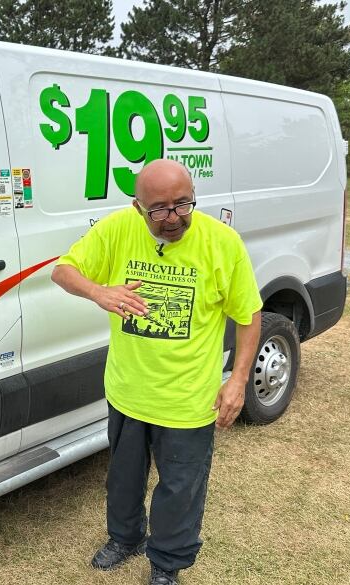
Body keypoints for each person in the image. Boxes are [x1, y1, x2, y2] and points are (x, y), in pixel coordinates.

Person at [51, 159, 262, 585]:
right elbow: (62, 270)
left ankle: (167, 563)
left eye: (183, 204)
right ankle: (125, 538)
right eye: (159, 209)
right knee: (123, 480)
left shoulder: (221, 243)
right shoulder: (117, 230)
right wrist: (97, 291)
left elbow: (249, 313)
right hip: (128, 391)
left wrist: (238, 380)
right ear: (137, 207)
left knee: (180, 490)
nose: (173, 218)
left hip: (188, 400)